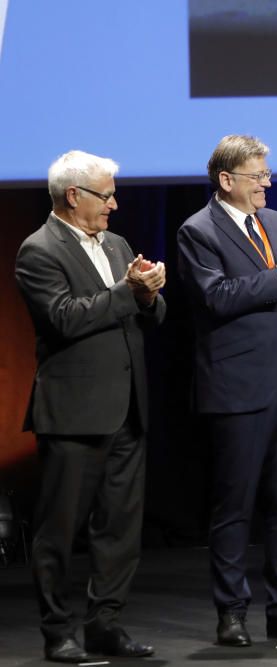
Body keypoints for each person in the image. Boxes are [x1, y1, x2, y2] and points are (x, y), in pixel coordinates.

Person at [176, 135, 277, 646]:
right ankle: (231, 613)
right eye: (257, 176)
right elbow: (217, 298)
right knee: (235, 503)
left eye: (267, 174)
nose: (267, 183)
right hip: (238, 384)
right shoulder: (198, 231)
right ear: (227, 181)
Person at [15, 150, 165, 663]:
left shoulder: (117, 244)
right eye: (106, 195)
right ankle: (58, 630)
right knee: (59, 530)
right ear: (73, 196)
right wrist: (129, 292)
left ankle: (105, 623)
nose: (115, 205)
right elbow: (64, 318)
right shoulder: (39, 250)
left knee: (120, 529)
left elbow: (147, 313)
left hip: (128, 409)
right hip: (75, 412)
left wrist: (149, 294)